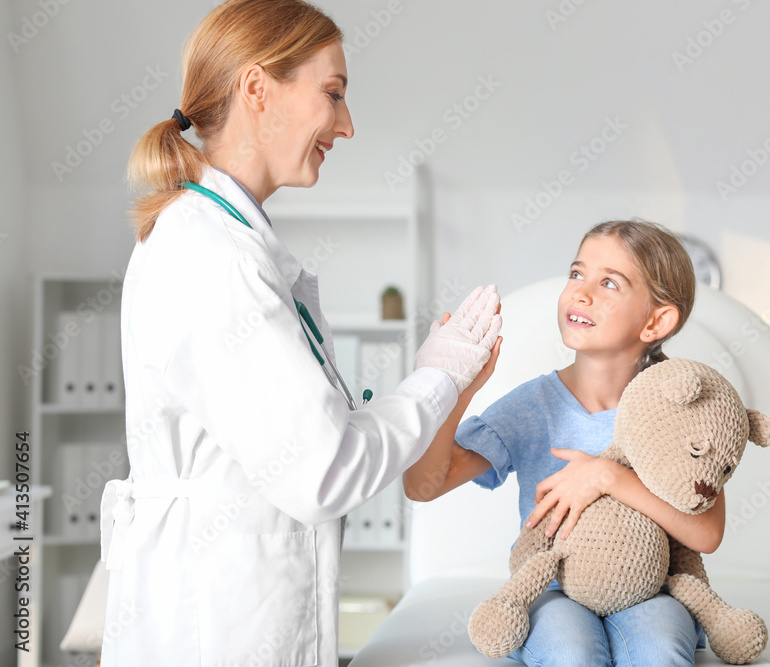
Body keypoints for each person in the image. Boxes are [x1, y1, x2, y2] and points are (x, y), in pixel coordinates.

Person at [99, 1, 501, 665]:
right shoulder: (210, 255)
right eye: (333, 94)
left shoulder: (232, 243)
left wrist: (435, 379)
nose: (347, 125)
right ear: (257, 89)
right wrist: (439, 378)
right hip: (214, 630)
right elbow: (322, 469)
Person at [404, 219, 722, 666]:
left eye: (609, 283)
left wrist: (607, 476)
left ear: (656, 320)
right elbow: (422, 485)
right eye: (577, 274)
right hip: (551, 588)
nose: (581, 292)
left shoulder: (680, 408)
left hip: (651, 588)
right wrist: (455, 391)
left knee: (660, 651)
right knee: (569, 654)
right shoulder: (533, 406)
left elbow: (706, 534)